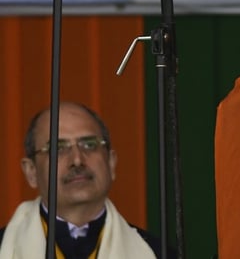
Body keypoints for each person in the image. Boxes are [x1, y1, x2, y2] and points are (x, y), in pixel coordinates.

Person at [0, 102, 169, 259]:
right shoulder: (6, 248)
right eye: (58, 148)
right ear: (32, 172)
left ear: (111, 163)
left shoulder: (156, 253)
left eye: (89, 144)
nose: (77, 160)